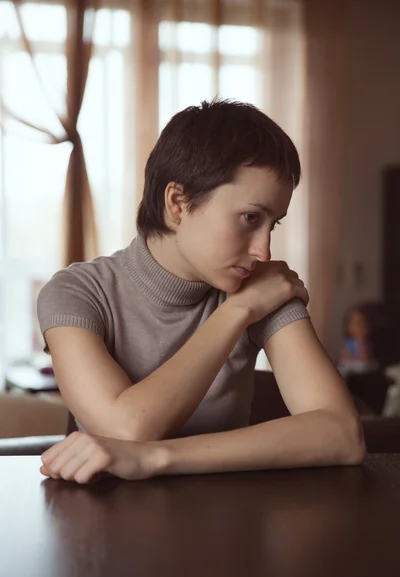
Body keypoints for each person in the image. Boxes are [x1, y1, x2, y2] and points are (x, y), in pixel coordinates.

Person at [37, 99, 365, 485]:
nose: (264, 250)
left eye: (272, 224)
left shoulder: (261, 287)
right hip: (100, 526)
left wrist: (158, 458)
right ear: (178, 203)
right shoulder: (76, 292)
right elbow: (124, 430)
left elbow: (342, 435)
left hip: (224, 525)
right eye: (250, 218)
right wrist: (237, 313)